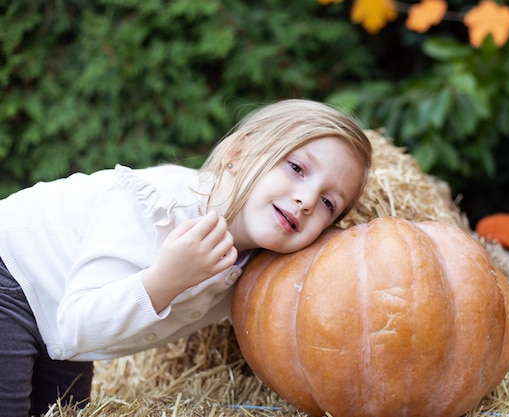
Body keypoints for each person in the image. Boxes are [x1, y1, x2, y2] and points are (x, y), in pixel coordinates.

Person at [0, 99, 372, 416]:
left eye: (328, 203)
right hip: (13, 275)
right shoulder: (160, 203)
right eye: (296, 168)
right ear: (239, 154)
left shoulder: (259, 269)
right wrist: (166, 279)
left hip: (64, 329)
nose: (306, 200)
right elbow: (75, 326)